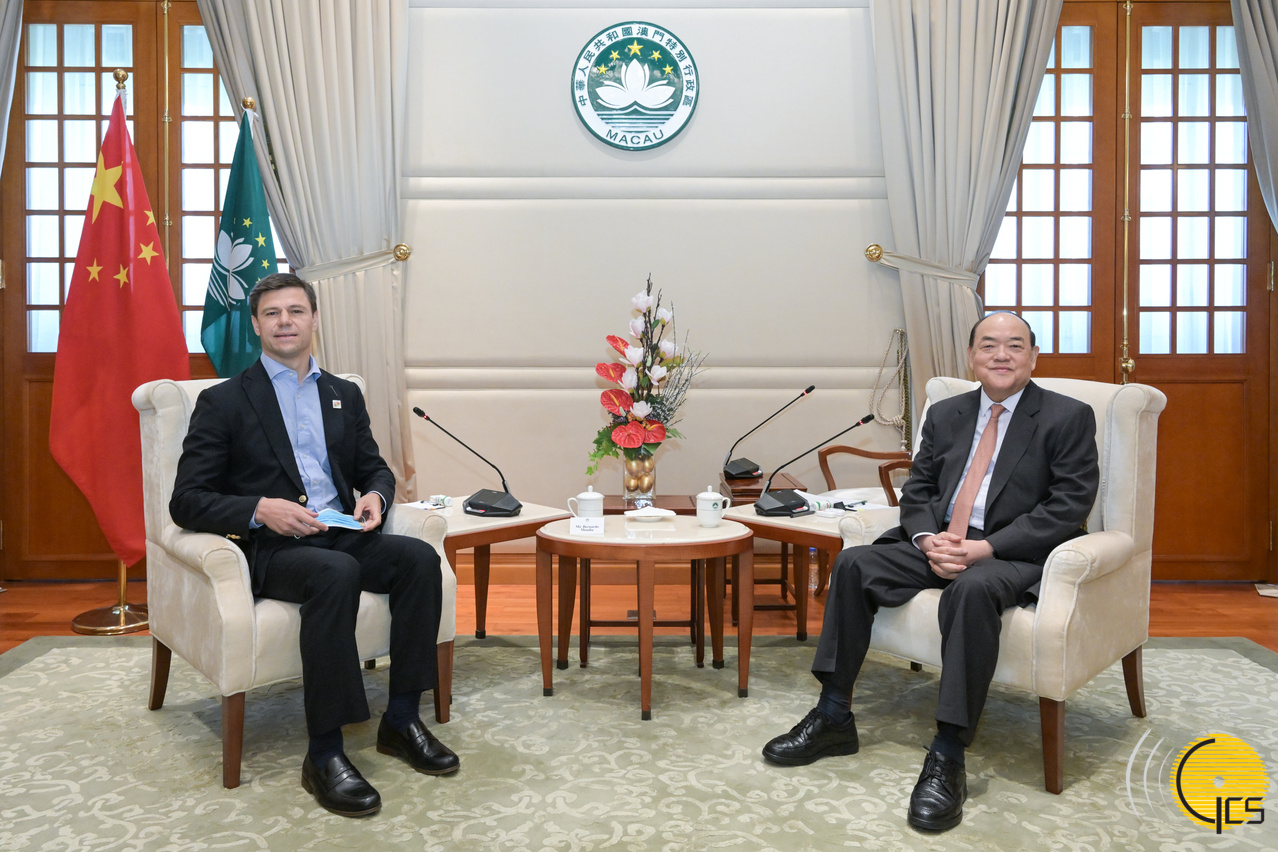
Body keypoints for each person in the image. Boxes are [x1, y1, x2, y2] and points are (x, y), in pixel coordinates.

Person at [761, 311, 1099, 832]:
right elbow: (918, 489)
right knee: (854, 563)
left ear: (1034, 357)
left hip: (1009, 554)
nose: (1001, 355)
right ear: (971, 357)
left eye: (1015, 345)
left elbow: (1067, 506)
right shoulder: (946, 414)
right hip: (938, 542)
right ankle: (833, 715)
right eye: (989, 345)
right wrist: (925, 539)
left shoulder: (1067, 416)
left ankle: (948, 752)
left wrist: (983, 548)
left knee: (970, 591)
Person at [170, 272, 457, 817]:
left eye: (296, 311)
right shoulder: (223, 401)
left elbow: (374, 467)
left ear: (314, 320)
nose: (285, 321)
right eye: (272, 313)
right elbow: (186, 500)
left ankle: (401, 719)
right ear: (256, 325)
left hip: (341, 532)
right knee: (334, 574)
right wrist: (260, 509)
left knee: (419, 559)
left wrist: (375, 496)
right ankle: (324, 752)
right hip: (274, 550)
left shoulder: (343, 394)